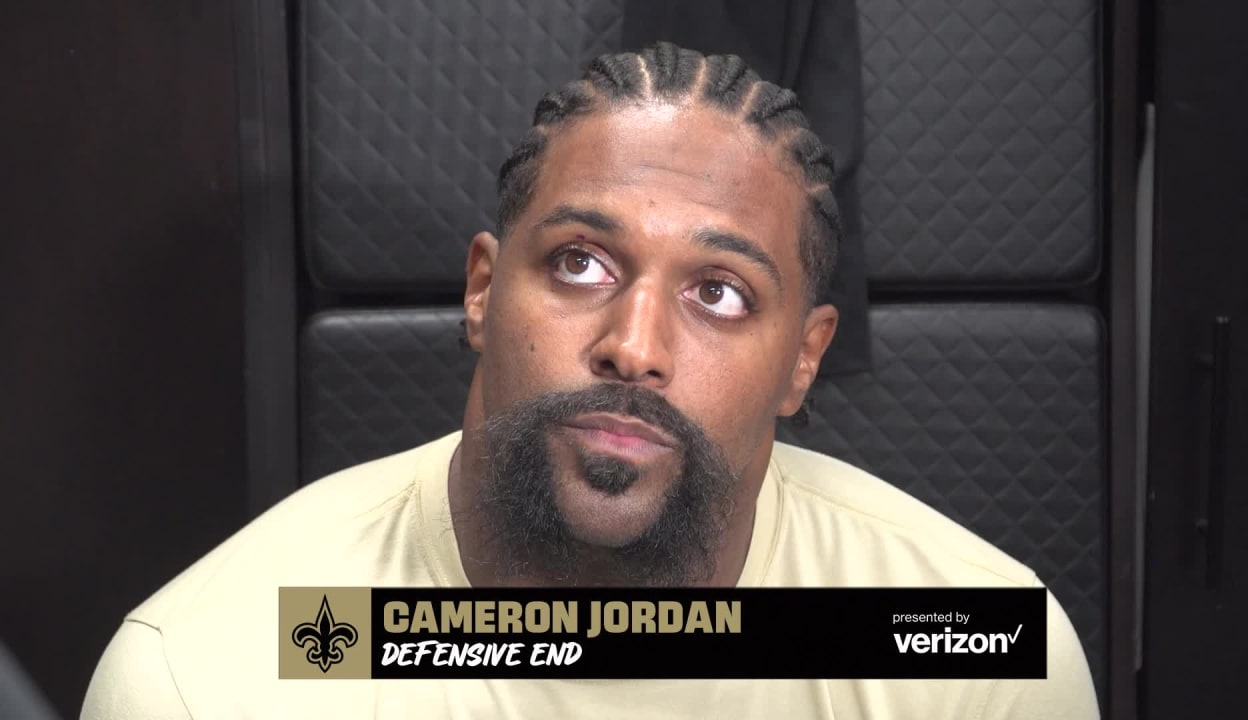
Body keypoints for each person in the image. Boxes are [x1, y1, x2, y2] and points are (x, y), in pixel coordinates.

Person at [81, 42, 1099, 719]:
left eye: (720, 292)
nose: (634, 344)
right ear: (482, 290)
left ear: (803, 357)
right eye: (580, 263)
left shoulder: (978, 659)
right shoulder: (209, 672)